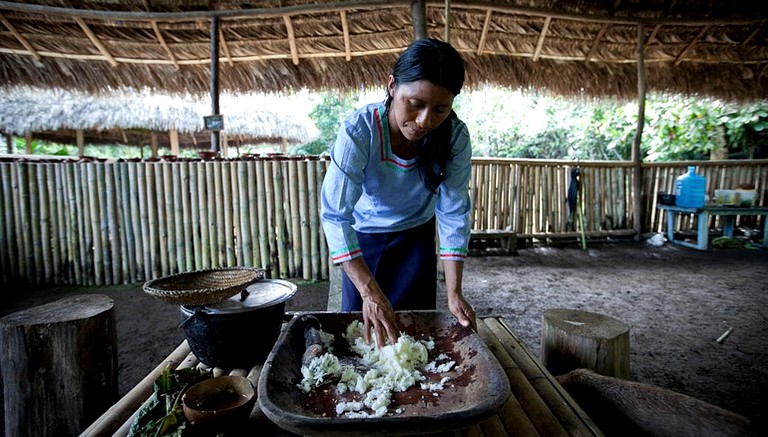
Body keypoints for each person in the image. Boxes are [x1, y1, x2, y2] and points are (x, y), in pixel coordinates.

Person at [320, 38, 475, 348]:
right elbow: (336, 214)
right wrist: (367, 290)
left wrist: (454, 292)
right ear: (391, 86)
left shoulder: (455, 137)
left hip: (416, 238)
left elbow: (453, 211)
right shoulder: (359, 130)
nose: (424, 121)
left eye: (440, 110)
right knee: (360, 336)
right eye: (415, 104)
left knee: (413, 335)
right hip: (364, 240)